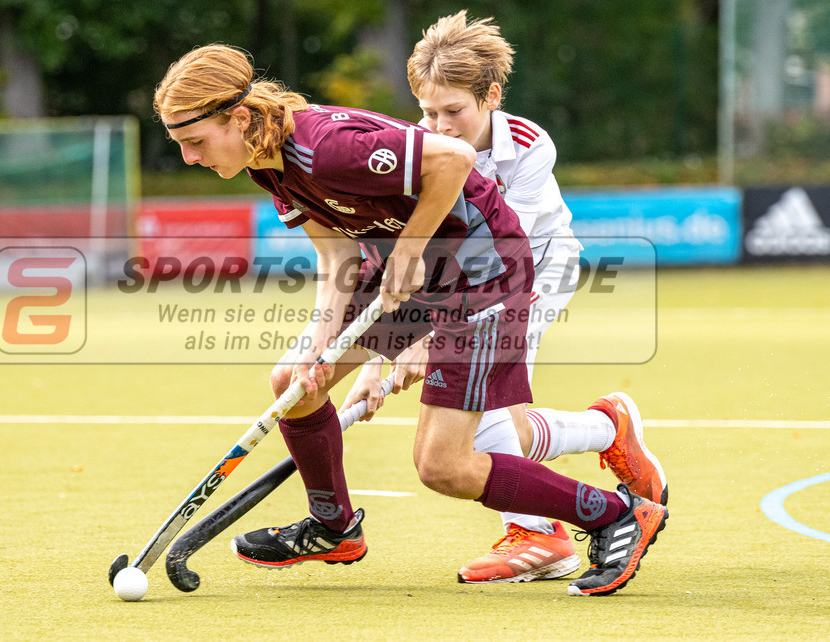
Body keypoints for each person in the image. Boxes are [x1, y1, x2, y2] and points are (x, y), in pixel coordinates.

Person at [153, 43, 668, 596]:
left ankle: (614, 514)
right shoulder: (267, 162)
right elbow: (338, 258)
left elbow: (454, 160)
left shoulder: (327, 148)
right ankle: (334, 528)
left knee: (443, 466)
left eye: (195, 143)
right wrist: (324, 352)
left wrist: (410, 251)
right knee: (295, 382)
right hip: (422, 275)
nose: (189, 158)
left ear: (238, 118)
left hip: (483, 276)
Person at [340, 11, 668, 584]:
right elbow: (416, 261)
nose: (439, 126)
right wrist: (382, 356)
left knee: (487, 434)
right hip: (465, 288)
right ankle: (604, 433)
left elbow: (495, 254)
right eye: (428, 112)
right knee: (503, 434)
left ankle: (541, 533)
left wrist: (431, 342)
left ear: (491, 96)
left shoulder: (527, 147)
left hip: (533, 275)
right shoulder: (417, 150)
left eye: (454, 112)